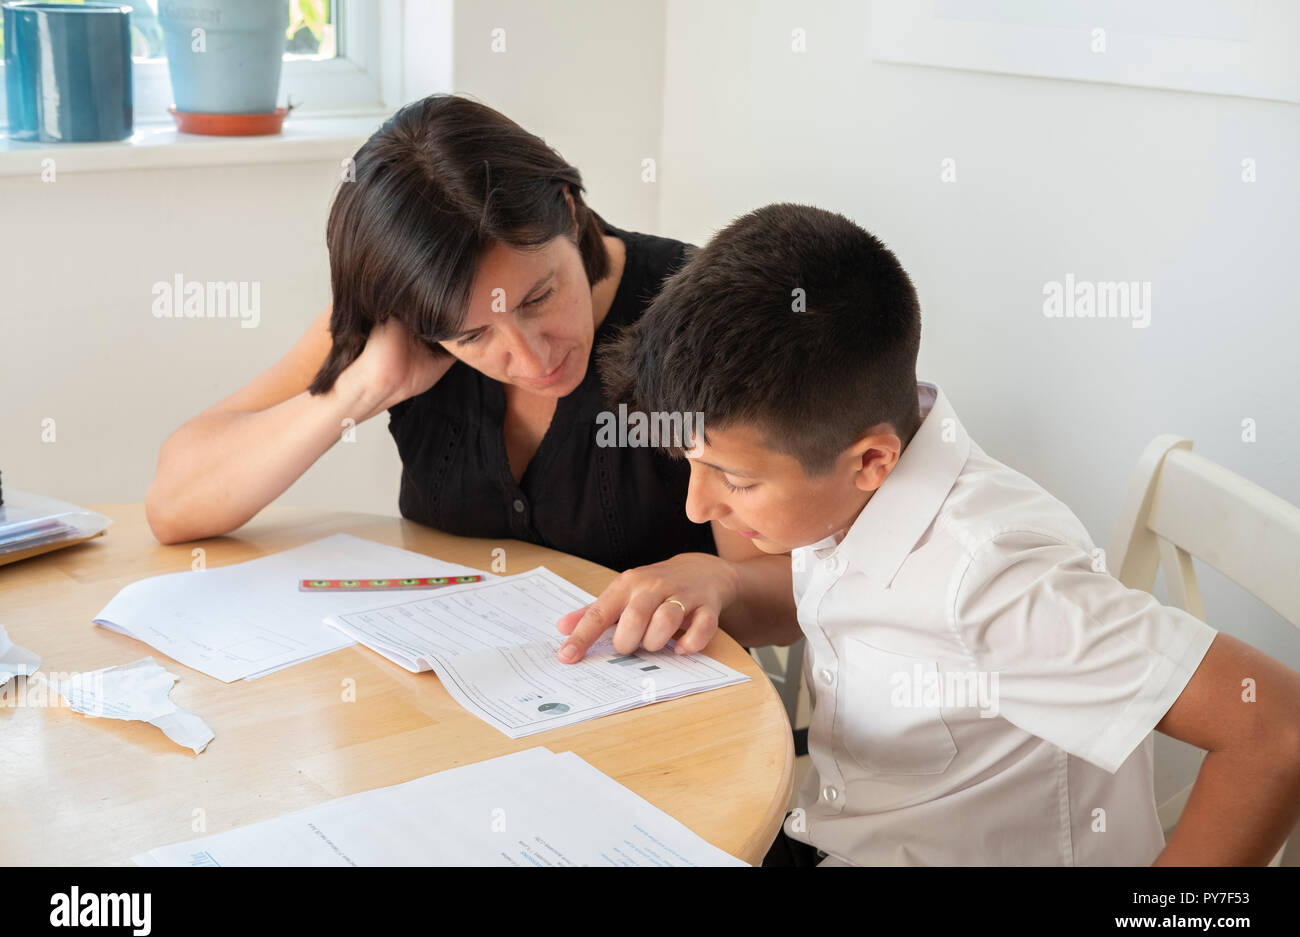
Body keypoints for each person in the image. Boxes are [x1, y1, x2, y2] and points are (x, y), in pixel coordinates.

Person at [570, 201, 1300, 866]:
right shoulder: (854, 490)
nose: (698, 508)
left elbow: (1277, 731)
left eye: (735, 479)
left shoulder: (992, 577)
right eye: (690, 464)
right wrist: (722, 580)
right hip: (837, 833)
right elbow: (821, 613)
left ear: (871, 461)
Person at [144, 94, 798, 650]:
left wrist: (722, 581)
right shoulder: (403, 323)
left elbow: (798, 590)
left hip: (661, 727)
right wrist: (361, 387)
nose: (532, 356)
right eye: (473, 334)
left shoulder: (700, 320)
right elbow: (175, 505)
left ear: (569, 212)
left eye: (540, 298)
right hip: (448, 710)